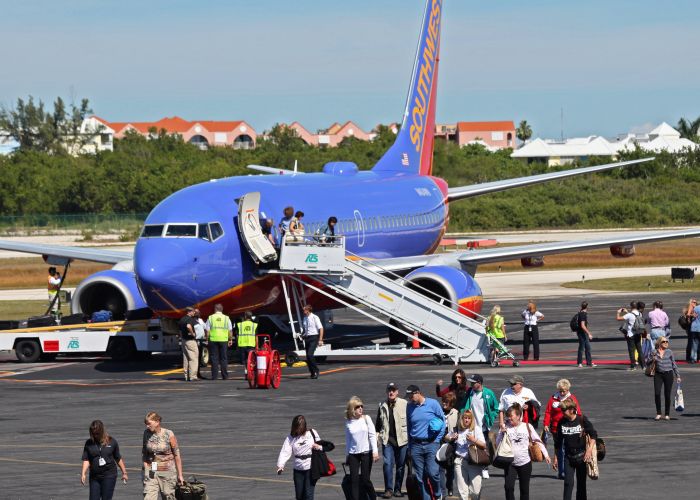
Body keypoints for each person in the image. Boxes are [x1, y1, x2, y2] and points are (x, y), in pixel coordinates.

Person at [496, 404, 550, 500]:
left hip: (525, 463)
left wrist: (546, 455)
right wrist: (501, 433)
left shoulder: (527, 426)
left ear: (518, 416)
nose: (509, 418)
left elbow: (538, 441)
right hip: (510, 463)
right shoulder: (505, 427)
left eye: (511, 416)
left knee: (524, 490)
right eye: (508, 416)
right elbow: (497, 443)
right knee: (508, 487)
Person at [406, 385, 445, 500]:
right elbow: (409, 427)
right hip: (416, 445)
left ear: (418, 393)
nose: (410, 398)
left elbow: (443, 422)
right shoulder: (409, 407)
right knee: (420, 477)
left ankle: (438, 495)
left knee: (433, 473)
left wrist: (437, 440)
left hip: (431, 444)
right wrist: (409, 446)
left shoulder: (433, 404)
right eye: (408, 396)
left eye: (411, 395)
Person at [552, 399, 597, 500]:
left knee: (581, 485)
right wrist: (555, 458)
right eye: (561, 410)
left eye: (564, 410)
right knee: (568, 483)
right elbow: (558, 442)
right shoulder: (562, 422)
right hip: (568, 457)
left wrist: (589, 450)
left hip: (582, 457)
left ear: (572, 409)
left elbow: (594, 435)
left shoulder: (581, 419)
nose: (562, 412)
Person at [277, 415, 323, 500]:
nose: (298, 430)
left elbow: (322, 446)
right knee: (299, 496)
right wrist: (281, 465)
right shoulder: (291, 437)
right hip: (298, 470)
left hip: (311, 468)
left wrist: (319, 447)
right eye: (297, 428)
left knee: (308, 495)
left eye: (300, 428)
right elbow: (285, 451)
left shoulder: (312, 433)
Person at [543, 379, 582, 480]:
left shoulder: (572, 398)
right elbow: (548, 412)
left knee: (566, 449)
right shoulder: (553, 398)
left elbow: (579, 412)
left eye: (564, 391)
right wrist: (546, 424)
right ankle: (561, 472)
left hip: (569, 427)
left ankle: (567, 471)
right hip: (556, 428)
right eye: (560, 391)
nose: (562, 393)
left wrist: (580, 424)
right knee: (560, 450)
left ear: (568, 389)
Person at [375, 382, 408, 499]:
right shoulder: (382, 405)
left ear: (397, 392)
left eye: (393, 390)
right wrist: (377, 438)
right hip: (387, 440)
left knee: (400, 465)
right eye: (389, 390)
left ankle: (398, 489)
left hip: (402, 440)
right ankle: (388, 489)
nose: (391, 392)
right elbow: (378, 425)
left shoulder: (405, 404)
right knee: (388, 464)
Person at [463, 373, 499, 479]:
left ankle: (485, 468)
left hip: (483, 426)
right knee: (470, 445)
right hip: (471, 426)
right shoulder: (470, 392)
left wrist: (490, 419)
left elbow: (495, 407)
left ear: (479, 383)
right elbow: (465, 406)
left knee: (484, 447)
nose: (471, 384)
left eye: (473, 383)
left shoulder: (488, 393)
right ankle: (473, 465)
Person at [81, 420, 128, 500]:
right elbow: (86, 459)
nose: (95, 435)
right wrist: (83, 473)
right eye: (93, 433)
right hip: (94, 477)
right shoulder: (89, 443)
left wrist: (124, 472)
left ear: (102, 431)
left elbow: (118, 458)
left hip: (109, 476)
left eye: (97, 433)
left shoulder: (112, 441)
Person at [142, 411, 184, 500]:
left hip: (167, 472)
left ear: (157, 422)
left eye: (149, 423)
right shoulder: (146, 433)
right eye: (146, 424)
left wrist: (180, 475)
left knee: (168, 496)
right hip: (152, 471)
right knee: (148, 497)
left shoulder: (169, 434)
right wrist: (146, 468)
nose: (147, 426)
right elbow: (144, 452)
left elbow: (176, 454)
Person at [345, 396, 379, 500]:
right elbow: (348, 440)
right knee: (354, 481)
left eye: (361, 406)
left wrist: (375, 452)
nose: (360, 408)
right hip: (353, 454)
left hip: (366, 453)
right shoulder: (348, 422)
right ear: (352, 409)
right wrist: (347, 455)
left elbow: (372, 435)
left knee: (365, 480)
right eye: (357, 407)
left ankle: (373, 497)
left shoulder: (366, 418)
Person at [448, 410, 486, 500]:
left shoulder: (476, 429)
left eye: (469, 418)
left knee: (475, 491)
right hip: (459, 461)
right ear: (462, 419)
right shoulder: (457, 429)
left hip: (474, 461)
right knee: (462, 491)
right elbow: (446, 437)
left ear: (472, 420)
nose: (467, 420)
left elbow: (484, 445)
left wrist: (474, 440)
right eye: (465, 418)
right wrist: (451, 437)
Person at [647, 336, 682, 420]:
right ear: (659, 343)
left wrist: (678, 376)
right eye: (664, 342)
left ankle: (667, 414)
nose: (666, 343)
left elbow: (674, 364)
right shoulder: (654, 352)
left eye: (667, 342)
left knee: (667, 394)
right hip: (658, 375)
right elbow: (647, 361)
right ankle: (658, 413)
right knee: (657, 393)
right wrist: (653, 359)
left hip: (668, 374)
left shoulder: (669, 352)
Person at [205, 303, 233, 380]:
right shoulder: (226, 318)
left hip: (213, 340)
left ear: (215, 309)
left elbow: (207, 330)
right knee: (223, 358)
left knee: (214, 358)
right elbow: (230, 330)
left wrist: (207, 339)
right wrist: (230, 339)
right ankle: (225, 376)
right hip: (223, 340)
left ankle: (214, 376)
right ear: (222, 309)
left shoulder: (210, 317)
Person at [439, 392, 459, 497]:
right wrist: (443, 437)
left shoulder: (456, 413)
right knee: (440, 467)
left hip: (451, 443)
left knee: (450, 467)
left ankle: (449, 486)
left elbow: (458, 428)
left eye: (446, 402)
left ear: (452, 403)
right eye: (443, 401)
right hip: (441, 441)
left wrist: (455, 436)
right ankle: (442, 491)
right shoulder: (438, 412)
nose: (444, 403)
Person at [616, 301, 644, 370]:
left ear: (631, 306)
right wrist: (627, 312)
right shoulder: (640, 314)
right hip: (638, 333)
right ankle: (643, 366)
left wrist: (618, 312)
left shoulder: (629, 315)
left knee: (631, 351)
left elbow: (618, 318)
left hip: (631, 334)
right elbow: (633, 317)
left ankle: (633, 366)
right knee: (639, 350)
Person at [302, 305, 324, 379]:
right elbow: (306, 330)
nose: (303, 311)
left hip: (314, 337)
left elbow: (321, 328)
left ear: (308, 310)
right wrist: (302, 335)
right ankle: (312, 372)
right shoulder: (305, 318)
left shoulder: (315, 317)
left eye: (304, 310)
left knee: (310, 354)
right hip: (307, 338)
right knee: (308, 357)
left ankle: (316, 371)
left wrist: (320, 339)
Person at [177, 307, 198, 381]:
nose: (194, 313)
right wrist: (193, 334)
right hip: (190, 340)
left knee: (186, 358)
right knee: (193, 358)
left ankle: (186, 376)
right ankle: (193, 376)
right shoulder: (190, 319)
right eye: (193, 311)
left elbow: (179, 330)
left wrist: (181, 337)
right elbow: (188, 326)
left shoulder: (182, 319)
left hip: (183, 340)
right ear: (189, 312)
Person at [574, 302, 595, 368]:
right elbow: (583, 326)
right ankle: (580, 362)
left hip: (581, 332)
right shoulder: (583, 314)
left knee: (587, 347)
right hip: (582, 333)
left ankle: (589, 362)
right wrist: (589, 334)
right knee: (582, 348)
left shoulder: (580, 312)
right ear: (587, 307)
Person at [236, 311, 257, 376]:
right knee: (252, 360)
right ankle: (251, 373)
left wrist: (237, 345)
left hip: (242, 345)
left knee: (245, 361)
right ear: (251, 317)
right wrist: (257, 346)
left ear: (245, 316)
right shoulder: (254, 325)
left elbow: (237, 336)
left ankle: (246, 373)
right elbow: (256, 337)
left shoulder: (240, 325)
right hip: (251, 345)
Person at [681, 298, 696, 362]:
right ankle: (689, 357)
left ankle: (693, 357)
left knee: (693, 342)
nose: (695, 303)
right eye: (694, 302)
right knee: (691, 342)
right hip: (690, 327)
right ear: (690, 302)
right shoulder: (688, 308)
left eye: (695, 302)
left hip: (691, 327)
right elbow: (687, 315)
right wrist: (692, 314)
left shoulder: (694, 308)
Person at [193, 308, 207, 379]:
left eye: (198, 312)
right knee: (194, 358)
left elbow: (205, 327)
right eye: (196, 312)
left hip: (201, 340)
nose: (197, 313)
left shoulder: (200, 320)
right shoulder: (192, 321)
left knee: (199, 358)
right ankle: (194, 374)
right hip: (195, 340)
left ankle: (198, 373)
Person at [689, 298, 700, 363]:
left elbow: (690, 315)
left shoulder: (696, 308)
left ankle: (693, 358)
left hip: (694, 328)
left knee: (694, 343)